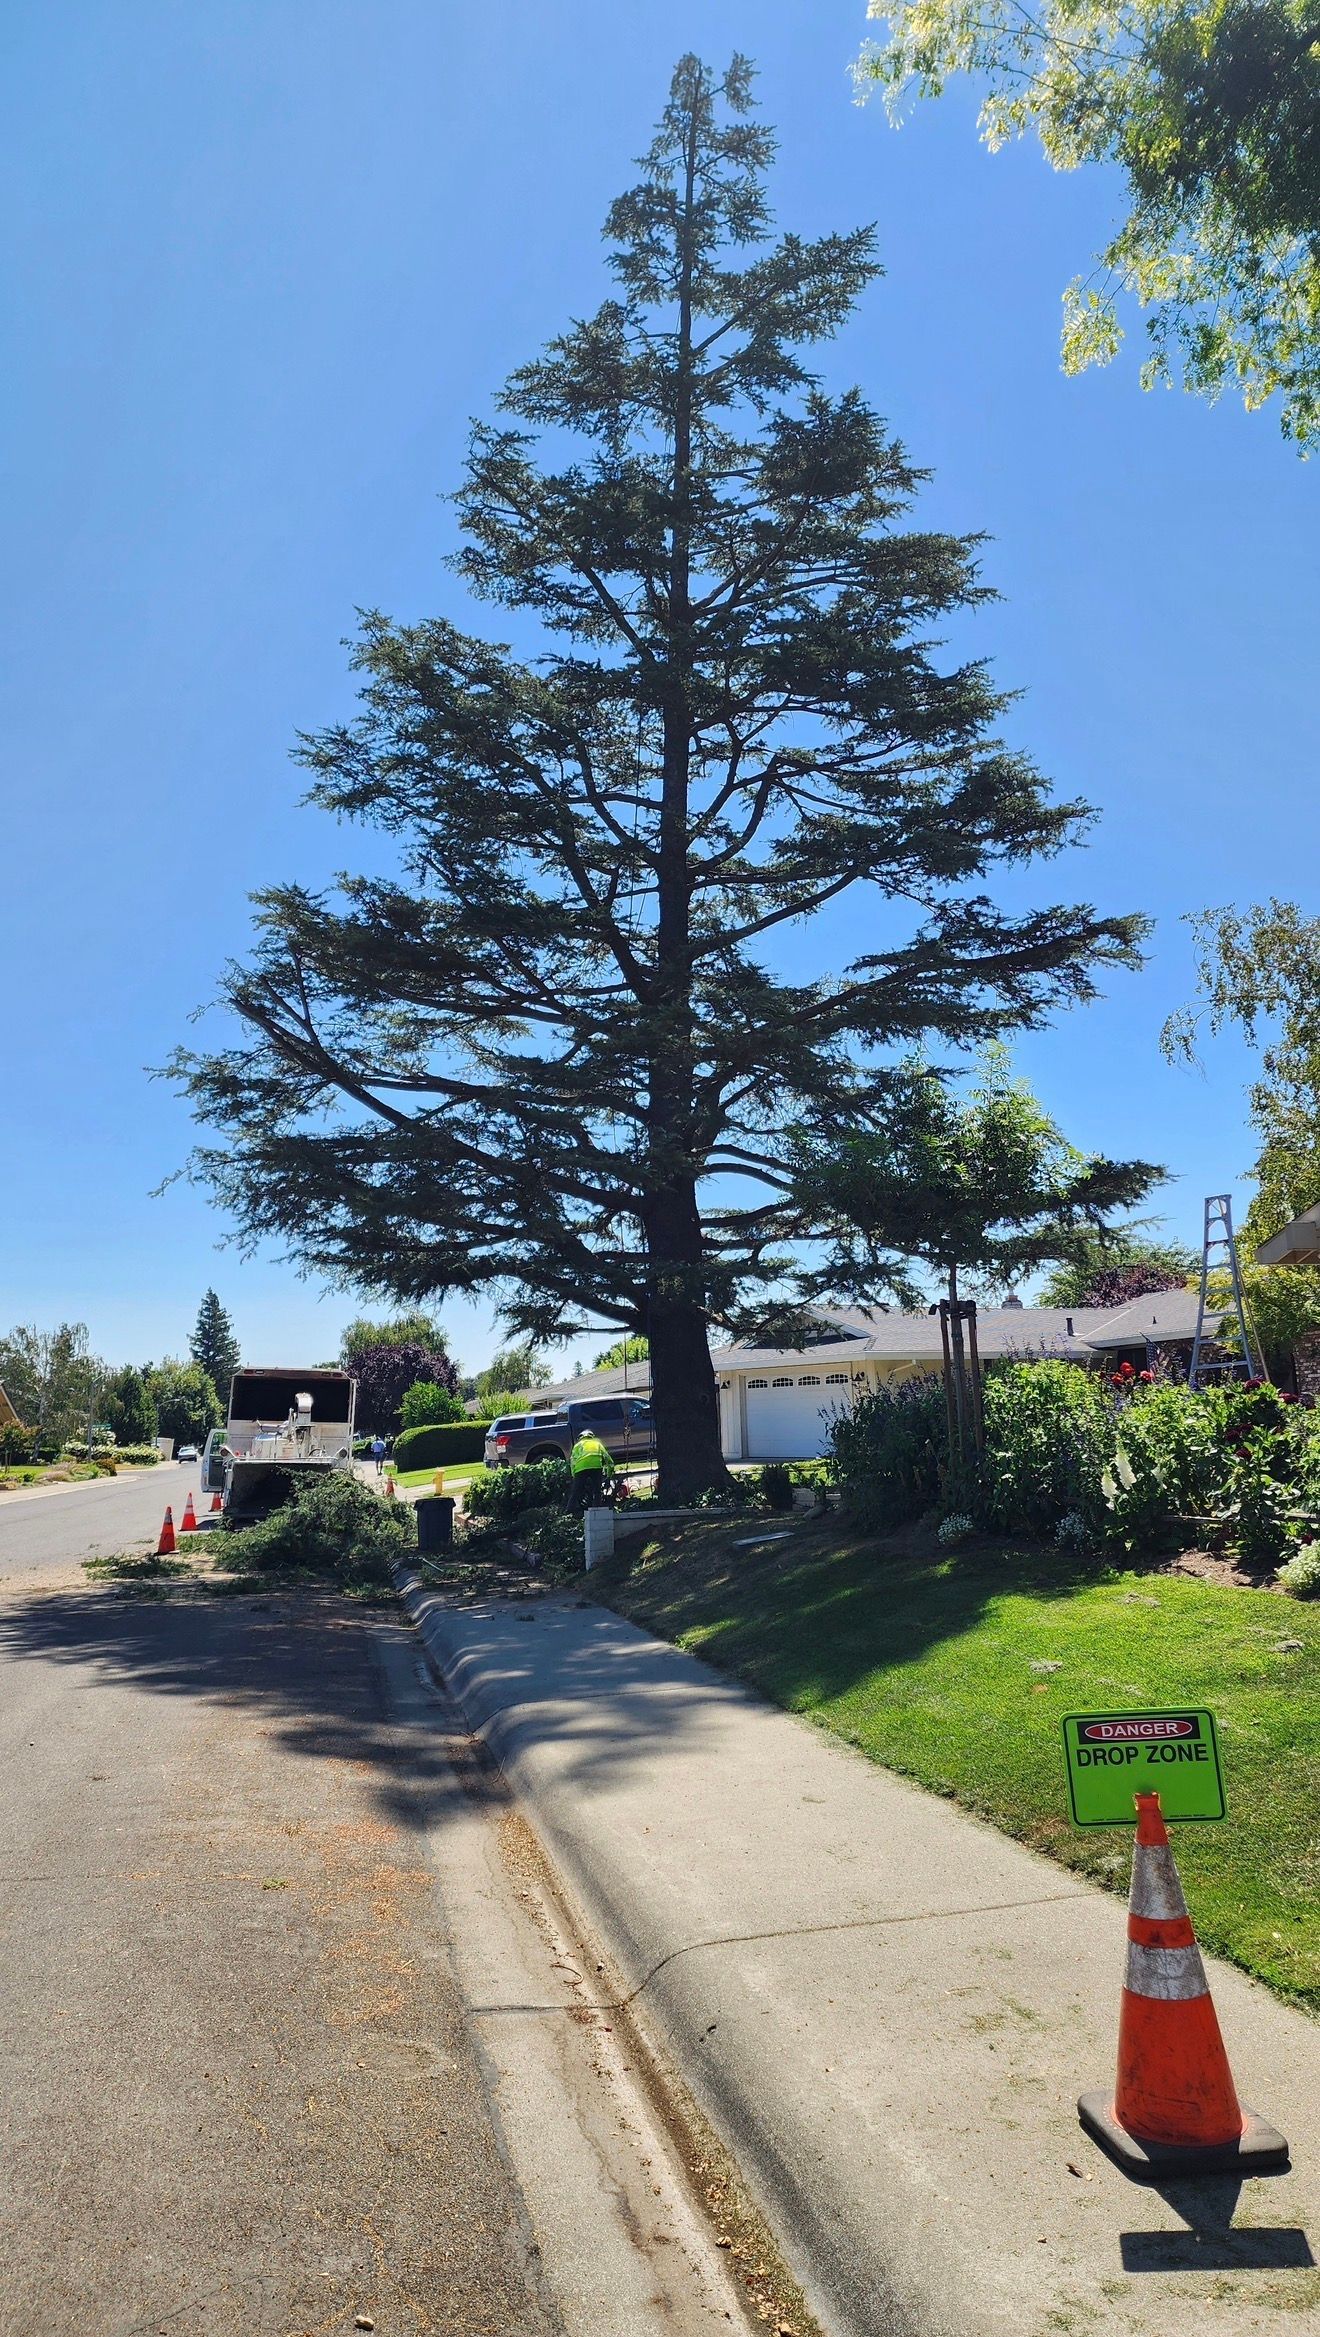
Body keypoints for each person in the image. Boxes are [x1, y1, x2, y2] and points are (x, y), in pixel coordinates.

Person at [569, 1429, 616, 1512]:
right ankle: (597, 1510)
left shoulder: (577, 1446)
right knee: (597, 1491)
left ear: (580, 1438)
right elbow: (609, 1460)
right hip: (596, 1467)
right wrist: (609, 1475)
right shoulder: (597, 1444)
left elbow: (572, 1462)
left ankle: (570, 1510)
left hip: (581, 1468)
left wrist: (574, 1476)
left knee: (576, 1490)